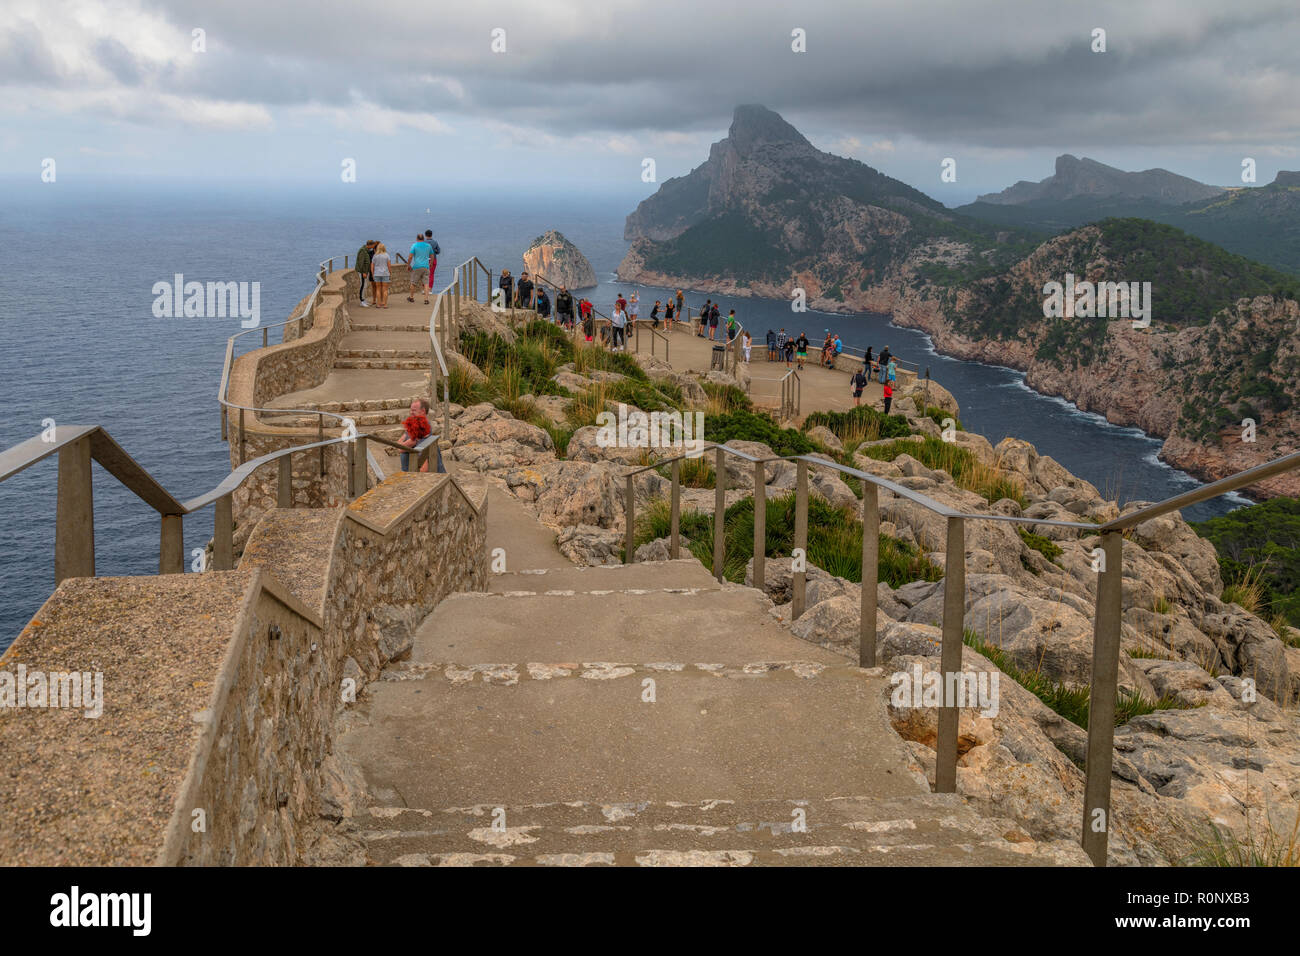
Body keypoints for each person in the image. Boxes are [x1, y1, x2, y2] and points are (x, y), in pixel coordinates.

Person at [399, 398, 432, 471]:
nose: (411, 412)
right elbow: (399, 443)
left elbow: (400, 448)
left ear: (423, 411)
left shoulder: (422, 427)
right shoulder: (413, 423)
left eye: (414, 410)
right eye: (410, 410)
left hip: (413, 475)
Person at [407, 234, 433, 305]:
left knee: (413, 283)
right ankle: (426, 299)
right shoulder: (428, 246)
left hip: (417, 267)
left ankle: (411, 297)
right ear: (423, 238)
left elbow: (410, 257)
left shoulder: (414, 245)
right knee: (426, 284)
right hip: (426, 267)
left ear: (417, 238)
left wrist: (408, 265)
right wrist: (431, 263)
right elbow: (432, 255)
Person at [355, 240, 376, 307]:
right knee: (363, 285)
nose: (373, 247)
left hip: (365, 272)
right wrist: (363, 272)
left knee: (365, 286)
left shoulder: (366, 250)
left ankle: (364, 300)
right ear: (369, 245)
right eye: (373, 246)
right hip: (362, 272)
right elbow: (361, 263)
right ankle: (362, 301)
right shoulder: (362, 251)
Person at [370, 242, 391, 308]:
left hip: (377, 274)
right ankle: (385, 304)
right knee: (385, 289)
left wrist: (373, 274)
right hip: (385, 274)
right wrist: (390, 273)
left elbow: (372, 266)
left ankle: (378, 304)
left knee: (378, 289)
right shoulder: (387, 255)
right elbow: (389, 265)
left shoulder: (375, 255)